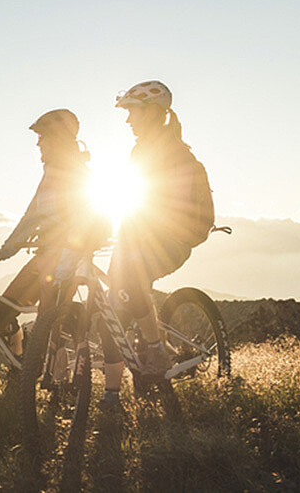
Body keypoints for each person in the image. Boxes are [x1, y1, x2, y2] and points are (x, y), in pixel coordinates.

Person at [100, 80, 215, 408]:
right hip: (138, 238)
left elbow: (174, 207)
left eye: (132, 112)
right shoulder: (139, 152)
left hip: (173, 240)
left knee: (133, 278)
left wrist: (142, 236)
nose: (127, 120)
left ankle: (158, 350)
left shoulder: (175, 153)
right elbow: (132, 199)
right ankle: (113, 394)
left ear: (151, 113)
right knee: (111, 308)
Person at [0, 109, 109, 360]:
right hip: (45, 258)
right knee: (4, 311)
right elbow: (31, 219)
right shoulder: (50, 174)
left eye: (43, 137)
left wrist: (71, 253)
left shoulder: (77, 174)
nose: (38, 144)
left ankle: (50, 375)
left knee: (49, 322)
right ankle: (20, 365)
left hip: (68, 260)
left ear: (59, 139)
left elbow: (88, 218)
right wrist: (0, 255)